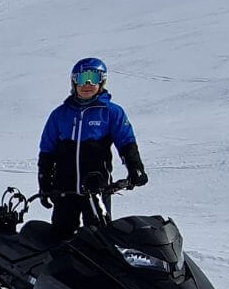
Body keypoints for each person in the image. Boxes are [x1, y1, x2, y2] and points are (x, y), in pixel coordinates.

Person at [37, 58, 148, 238]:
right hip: (65, 188)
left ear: (102, 81)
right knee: (60, 236)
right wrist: (44, 182)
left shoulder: (110, 112)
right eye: (82, 79)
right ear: (74, 82)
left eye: (93, 78)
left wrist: (135, 168)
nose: (87, 84)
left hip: (96, 187)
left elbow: (126, 142)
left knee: (99, 237)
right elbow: (47, 150)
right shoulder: (60, 114)